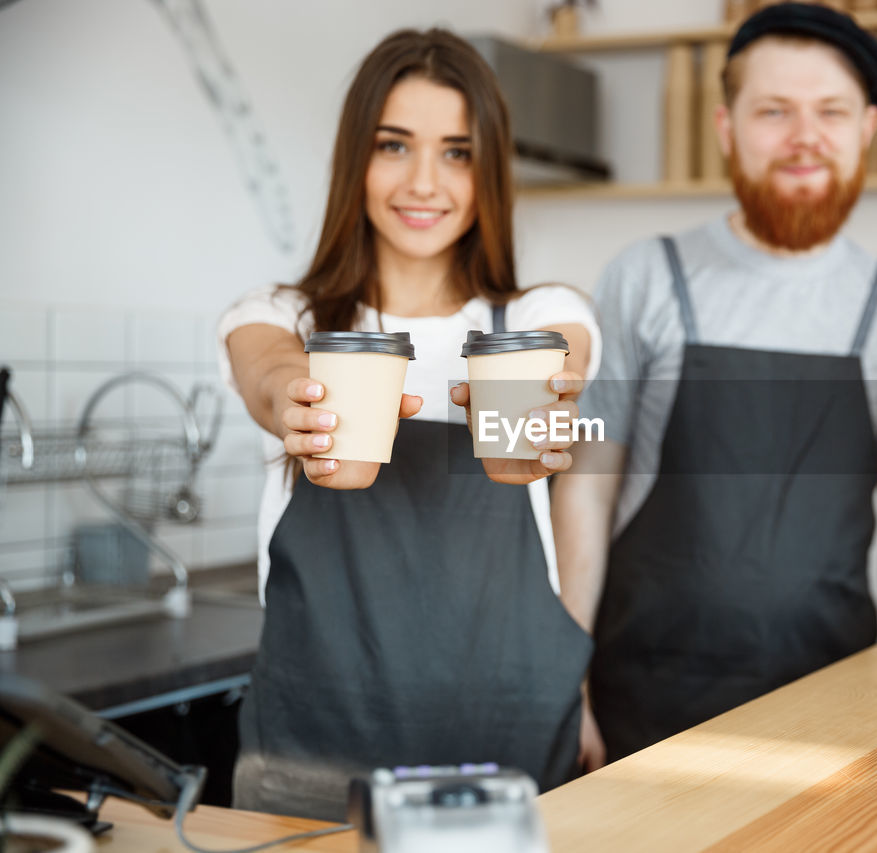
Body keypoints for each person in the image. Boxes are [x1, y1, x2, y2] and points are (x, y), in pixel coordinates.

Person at [551, 2, 877, 764]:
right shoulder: (645, 277)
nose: (805, 137)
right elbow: (586, 489)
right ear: (727, 128)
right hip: (638, 707)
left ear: (865, 130)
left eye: (830, 111)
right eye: (774, 111)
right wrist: (564, 684)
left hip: (835, 706)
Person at [217, 29, 600, 820]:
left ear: (487, 172)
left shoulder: (532, 318)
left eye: (457, 153)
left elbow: (562, 356)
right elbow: (268, 372)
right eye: (395, 145)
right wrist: (303, 398)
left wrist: (541, 406)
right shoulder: (282, 318)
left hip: (513, 751)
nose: (425, 181)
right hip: (310, 762)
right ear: (355, 156)